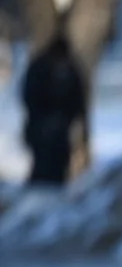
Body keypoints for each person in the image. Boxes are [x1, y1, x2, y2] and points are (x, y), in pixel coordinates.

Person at [19, 33, 86, 187]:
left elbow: (78, 98)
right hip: (40, 126)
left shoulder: (72, 70)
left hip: (60, 127)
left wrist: (68, 118)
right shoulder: (39, 68)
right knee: (42, 163)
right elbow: (30, 96)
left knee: (59, 163)